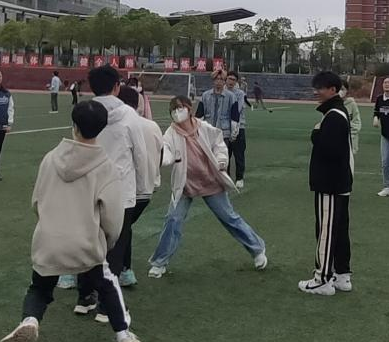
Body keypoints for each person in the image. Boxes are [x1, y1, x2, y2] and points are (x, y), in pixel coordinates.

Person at [0, 101, 143, 342]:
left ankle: (30, 320)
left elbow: (36, 201)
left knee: (40, 288)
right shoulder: (105, 167)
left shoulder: (50, 159)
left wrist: (49, 224)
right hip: (85, 242)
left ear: (73, 125)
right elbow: (112, 217)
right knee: (107, 284)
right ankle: (124, 337)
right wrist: (107, 242)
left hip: (49, 240)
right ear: (101, 129)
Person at [147, 96, 268, 277]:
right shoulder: (171, 133)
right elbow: (167, 151)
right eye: (173, 110)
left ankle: (257, 249)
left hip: (210, 180)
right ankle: (159, 262)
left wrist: (221, 160)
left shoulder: (204, 128)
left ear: (189, 108)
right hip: (185, 184)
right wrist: (163, 159)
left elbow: (219, 145)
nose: (177, 113)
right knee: (173, 219)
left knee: (229, 217)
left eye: (180, 108)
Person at [71, 65, 147, 311]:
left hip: (89, 187)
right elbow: (140, 153)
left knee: (89, 243)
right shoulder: (128, 114)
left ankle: (85, 297)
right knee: (115, 248)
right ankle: (106, 305)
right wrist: (144, 185)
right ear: (116, 86)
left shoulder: (84, 111)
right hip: (120, 189)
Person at [298, 71, 354, 297]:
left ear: (332, 90)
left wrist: (315, 133)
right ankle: (342, 274)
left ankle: (322, 279)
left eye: (320, 88)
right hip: (339, 182)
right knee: (339, 229)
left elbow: (329, 149)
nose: (316, 92)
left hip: (331, 184)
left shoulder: (334, 116)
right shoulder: (337, 112)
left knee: (327, 230)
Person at [114, 84, 162, 289]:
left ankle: (80, 273)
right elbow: (161, 155)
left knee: (110, 230)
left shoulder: (120, 125)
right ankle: (126, 271)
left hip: (127, 189)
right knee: (124, 228)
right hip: (147, 190)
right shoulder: (152, 126)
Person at [225, 71, 249, 190]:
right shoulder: (222, 92)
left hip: (239, 127)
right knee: (225, 154)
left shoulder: (240, 94)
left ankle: (239, 178)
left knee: (239, 154)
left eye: (233, 80)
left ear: (236, 82)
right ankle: (226, 178)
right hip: (224, 127)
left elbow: (237, 109)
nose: (231, 82)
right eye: (229, 79)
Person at [340, 82, 362, 156]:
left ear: (347, 90)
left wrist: (348, 134)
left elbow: (357, 123)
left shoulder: (352, 104)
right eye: (338, 89)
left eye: (342, 89)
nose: (340, 91)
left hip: (350, 141)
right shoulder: (331, 104)